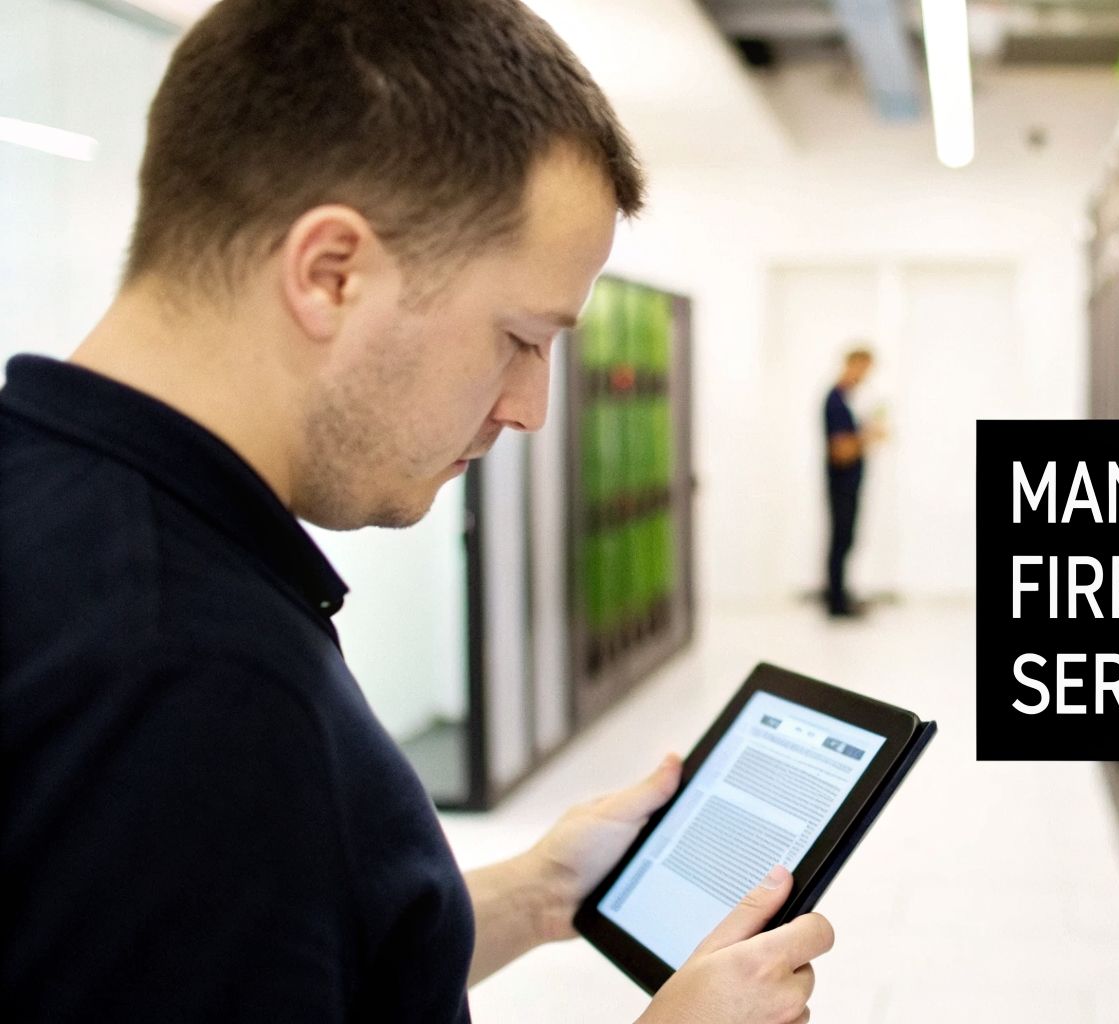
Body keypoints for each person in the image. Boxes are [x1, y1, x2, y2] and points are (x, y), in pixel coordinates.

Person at [0, 2, 830, 1021]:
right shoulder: (189, 682)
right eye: (521, 337)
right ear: (330, 274)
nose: (528, 409)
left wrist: (537, 891)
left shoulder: (63, 509)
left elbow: (263, 947)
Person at [823, 347, 885, 618]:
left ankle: (841, 596)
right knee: (840, 540)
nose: (867, 376)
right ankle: (836, 603)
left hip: (850, 484)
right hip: (841, 484)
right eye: (865, 369)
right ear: (853, 365)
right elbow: (840, 452)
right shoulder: (835, 401)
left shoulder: (848, 400)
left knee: (846, 540)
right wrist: (868, 436)